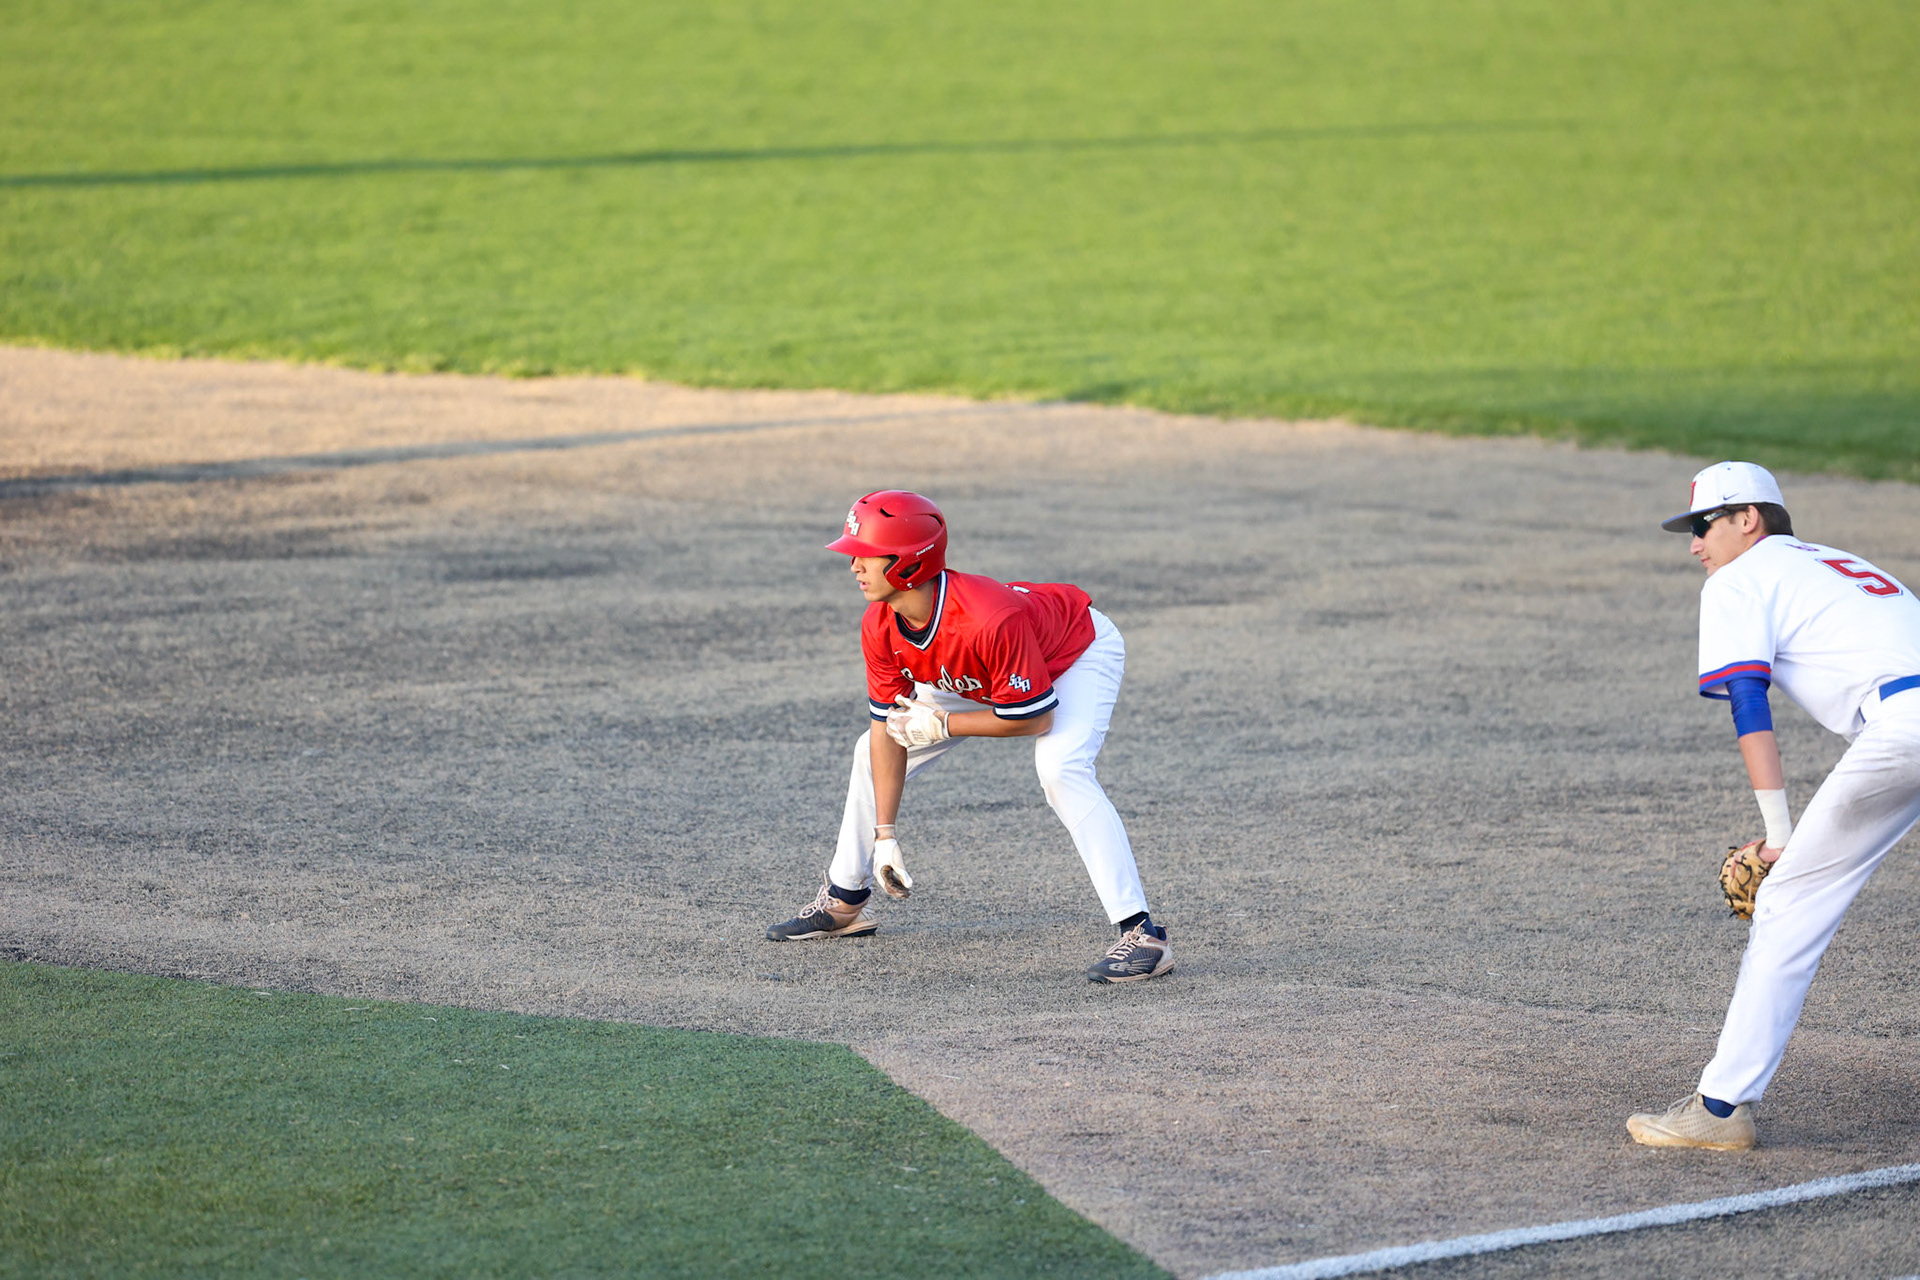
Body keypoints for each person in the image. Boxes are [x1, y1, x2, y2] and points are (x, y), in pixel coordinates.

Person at [765, 490, 1173, 984]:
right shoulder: (879, 623)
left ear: (908, 562)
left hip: (1073, 653)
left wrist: (945, 722)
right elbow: (886, 730)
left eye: (866, 554)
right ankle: (845, 899)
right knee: (866, 750)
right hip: (984, 670)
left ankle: (1143, 935)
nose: (854, 564)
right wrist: (886, 836)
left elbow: (1032, 719)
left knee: (1060, 768)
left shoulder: (989, 617)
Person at [1628, 461, 1920, 1149]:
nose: (1695, 544)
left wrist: (1777, 836)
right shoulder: (1837, 562)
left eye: (1704, 524)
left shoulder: (1741, 578)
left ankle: (1720, 1110)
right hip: (1905, 727)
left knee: (1790, 897)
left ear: (1748, 518)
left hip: (1907, 726)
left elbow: (1748, 702)